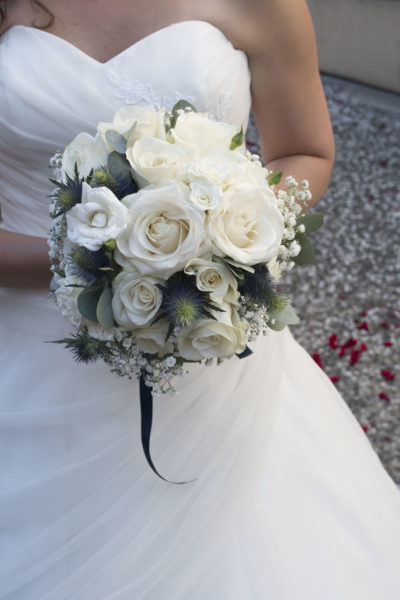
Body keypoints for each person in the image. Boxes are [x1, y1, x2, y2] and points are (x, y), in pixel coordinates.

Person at [0, 1, 399, 598]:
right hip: (23, 353)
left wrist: (221, 238)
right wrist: (100, 265)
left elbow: (305, 152)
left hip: (208, 357)